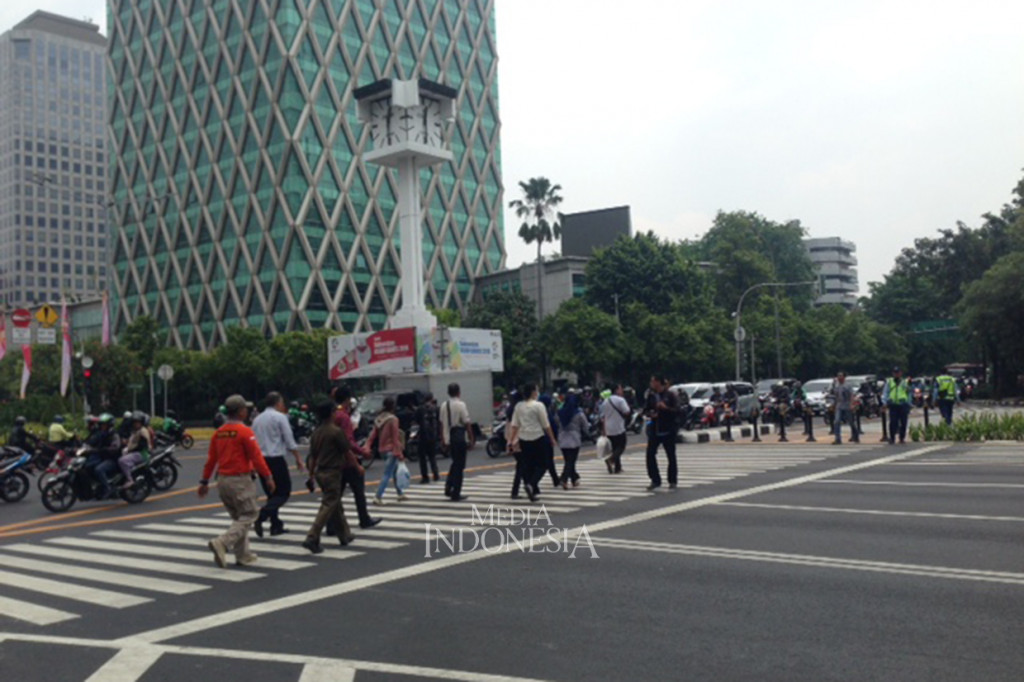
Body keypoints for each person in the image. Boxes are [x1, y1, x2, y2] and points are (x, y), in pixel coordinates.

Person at [198, 394, 275, 568]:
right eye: (245, 409)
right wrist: (268, 476)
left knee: (239, 519)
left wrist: (204, 481)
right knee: (249, 514)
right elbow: (256, 457)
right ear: (241, 412)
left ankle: (243, 555)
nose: (247, 411)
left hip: (223, 481)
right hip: (240, 480)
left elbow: (211, 460)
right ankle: (222, 543)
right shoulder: (244, 431)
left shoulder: (219, 433)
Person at [302, 401, 359, 553]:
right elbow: (347, 452)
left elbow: (313, 457)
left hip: (320, 472)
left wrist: (311, 475)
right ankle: (312, 536)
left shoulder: (316, 432)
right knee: (329, 504)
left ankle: (344, 534)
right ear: (332, 413)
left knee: (335, 504)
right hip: (333, 472)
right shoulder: (335, 431)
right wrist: (357, 467)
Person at [252, 391, 305, 538]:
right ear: (277, 403)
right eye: (282, 402)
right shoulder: (280, 417)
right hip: (275, 459)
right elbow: (289, 440)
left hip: (261, 460)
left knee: (271, 493)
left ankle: (275, 525)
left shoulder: (257, 419)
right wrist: (298, 458)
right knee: (283, 492)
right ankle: (262, 515)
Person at [329, 386, 381, 530]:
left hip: (335, 460)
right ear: (347, 400)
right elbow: (348, 441)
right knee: (358, 491)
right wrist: (362, 452)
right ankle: (364, 519)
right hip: (348, 460)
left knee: (336, 494)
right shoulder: (344, 417)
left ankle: (330, 524)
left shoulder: (333, 415)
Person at [508, 383, 557, 503]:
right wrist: (552, 438)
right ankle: (531, 485)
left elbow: (514, 425)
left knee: (528, 465)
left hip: (524, 439)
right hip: (537, 437)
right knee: (543, 464)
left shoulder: (518, 406)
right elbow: (546, 425)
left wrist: (510, 440)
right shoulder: (539, 406)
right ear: (533, 392)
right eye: (536, 390)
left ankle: (533, 491)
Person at [366, 397, 407, 505]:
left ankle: (400, 493)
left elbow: (372, 435)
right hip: (391, 449)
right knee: (388, 473)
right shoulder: (393, 419)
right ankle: (378, 496)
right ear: (393, 406)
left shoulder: (380, 418)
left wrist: (367, 446)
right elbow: (395, 438)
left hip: (382, 449)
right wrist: (399, 453)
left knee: (394, 471)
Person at [644, 375, 680, 491]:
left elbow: (677, 411)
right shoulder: (651, 396)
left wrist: (666, 408)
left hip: (668, 429)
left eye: (653, 381)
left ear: (658, 382)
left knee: (671, 456)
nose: (651, 383)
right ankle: (655, 479)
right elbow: (646, 410)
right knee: (650, 455)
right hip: (655, 429)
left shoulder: (670, 395)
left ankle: (672, 480)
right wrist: (650, 413)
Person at [440, 382, 474, 502]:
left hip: (449, 437)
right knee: (460, 466)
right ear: (459, 392)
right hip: (459, 438)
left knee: (455, 463)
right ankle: (456, 492)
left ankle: (449, 486)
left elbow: (442, 424)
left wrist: (443, 439)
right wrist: (471, 438)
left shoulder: (444, 405)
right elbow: (467, 422)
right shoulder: (461, 405)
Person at [86, 414, 122, 499]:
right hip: (102, 457)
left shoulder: (114, 435)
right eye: (101, 424)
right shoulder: (101, 434)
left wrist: (105, 449)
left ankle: (108, 488)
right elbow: (92, 442)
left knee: (99, 469)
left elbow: (115, 447)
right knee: (88, 466)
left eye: (104, 425)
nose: (102, 426)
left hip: (112, 459)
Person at [557, 392, 587, 489]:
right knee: (571, 461)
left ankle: (574, 479)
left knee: (568, 461)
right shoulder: (578, 413)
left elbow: (556, 423)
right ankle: (564, 479)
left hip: (562, 439)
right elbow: (585, 425)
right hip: (574, 439)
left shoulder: (560, 412)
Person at [599, 384, 631, 474]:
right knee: (621, 446)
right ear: (617, 390)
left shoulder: (605, 401)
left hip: (608, 428)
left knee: (614, 448)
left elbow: (603, 416)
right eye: (620, 389)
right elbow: (627, 411)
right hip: (618, 427)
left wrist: (603, 429)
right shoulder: (620, 400)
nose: (622, 391)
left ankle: (618, 468)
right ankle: (611, 459)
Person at [117, 411, 153, 488]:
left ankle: (130, 479)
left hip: (142, 454)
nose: (135, 424)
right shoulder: (135, 431)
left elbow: (142, 445)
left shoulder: (143, 431)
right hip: (136, 453)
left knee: (122, 461)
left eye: (137, 422)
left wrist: (130, 449)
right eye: (134, 422)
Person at [414, 393, 441, 484]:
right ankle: (436, 474)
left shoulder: (420, 409)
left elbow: (416, 420)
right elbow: (439, 421)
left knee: (422, 458)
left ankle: (425, 477)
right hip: (433, 436)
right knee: (432, 456)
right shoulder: (436, 408)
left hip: (423, 436)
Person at [882, 367, 912, 445]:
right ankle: (892, 438)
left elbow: (909, 393)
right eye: (895, 372)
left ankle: (902, 438)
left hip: (903, 404)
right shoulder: (889, 382)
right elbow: (885, 392)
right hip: (893, 404)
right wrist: (884, 402)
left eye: (898, 372)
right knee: (893, 422)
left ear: (901, 373)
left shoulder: (905, 382)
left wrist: (909, 403)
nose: (896, 374)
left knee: (903, 422)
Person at [539, 394, 561, 488]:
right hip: (546, 440)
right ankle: (532, 483)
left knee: (547, 462)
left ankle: (555, 479)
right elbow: (552, 426)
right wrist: (554, 438)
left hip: (537, 439)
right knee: (547, 462)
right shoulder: (546, 413)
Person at [829, 372, 858, 445]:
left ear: (844, 377)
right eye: (838, 376)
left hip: (847, 404)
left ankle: (855, 435)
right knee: (836, 421)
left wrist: (852, 404)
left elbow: (852, 395)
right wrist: (834, 405)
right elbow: (836, 396)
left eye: (841, 376)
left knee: (851, 421)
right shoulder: (836, 385)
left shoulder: (847, 385)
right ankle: (837, 438)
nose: (839, 377)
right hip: (839, 405)